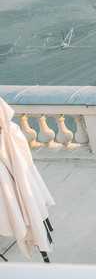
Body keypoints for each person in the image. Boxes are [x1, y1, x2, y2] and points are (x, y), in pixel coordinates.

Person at [0, 96, 55, 259]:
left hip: (15, 181)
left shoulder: (11, 133)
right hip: (19, 180)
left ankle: (34, 232)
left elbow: (24, 160)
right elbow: (26, 160)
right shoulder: (12, 131)